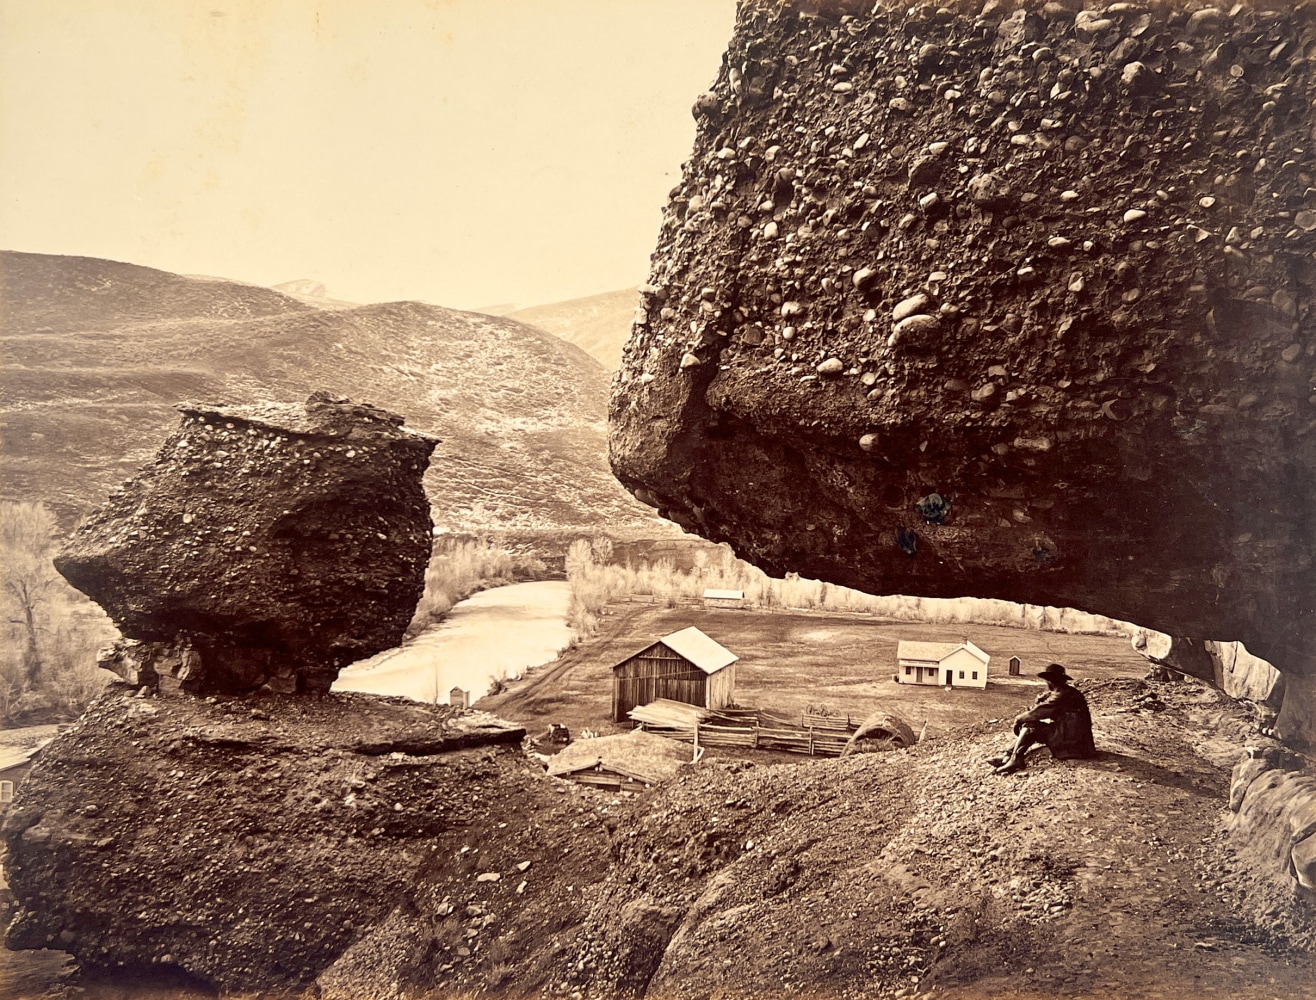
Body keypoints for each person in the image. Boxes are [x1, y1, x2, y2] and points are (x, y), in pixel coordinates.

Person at [989, 662, 1095, 774]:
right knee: (1034, 727)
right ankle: (1009, 755)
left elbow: (1036, 714)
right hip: (1077, 740)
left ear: (1050, 681)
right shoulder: (1068, 692)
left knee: (1030, 726)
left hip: (1072, 744)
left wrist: (1017, 720)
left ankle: (1014, 759)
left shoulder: (1061, 695)